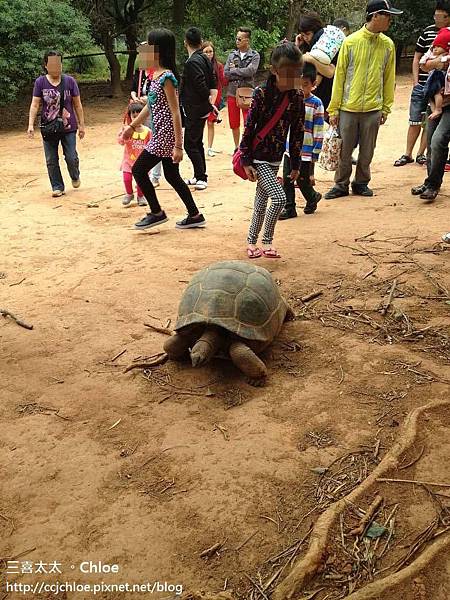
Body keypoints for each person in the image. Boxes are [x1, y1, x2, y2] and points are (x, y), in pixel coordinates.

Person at [121, 28, 206, 230]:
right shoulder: (154, 75)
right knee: (172, 176)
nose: (145, 48)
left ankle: (156, 212)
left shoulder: (167, 77)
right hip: (160, 134)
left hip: (165, 137)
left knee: (138, 170)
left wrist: (178, 146)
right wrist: (132, 127)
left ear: (158, 50)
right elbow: (149, 106)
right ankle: (195, 215)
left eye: (148, 45)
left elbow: (176, 112)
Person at [324, 0, 402, 200]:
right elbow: (339, 76)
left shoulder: (388, 45)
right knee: (344, 150)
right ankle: (340, 185)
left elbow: (388, 78)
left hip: (373, 108)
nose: (390, 20)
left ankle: (361, 183)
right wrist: (334, 109)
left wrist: (385, 108)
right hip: (348, 107)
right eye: (387, 15)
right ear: (375, 16)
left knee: (367, 151)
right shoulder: (350, 42)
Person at [239, 42, 304, 259]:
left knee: (260, 203)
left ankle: (251, 242)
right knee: (279, 198)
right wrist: (246, 159)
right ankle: (266, 241)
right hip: (258, 158)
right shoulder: (261, 94)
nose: (293, 80)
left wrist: (296, 163)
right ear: (274, 70)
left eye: (297, 74)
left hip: (277, 157)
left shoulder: (297, 97)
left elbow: (297, 131)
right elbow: (249, 127)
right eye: (288, 74)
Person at [394, 1, 450, 167]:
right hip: (424, 84)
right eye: (435, 16)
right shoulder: (427, 32)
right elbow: (419, 58)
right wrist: (416, 81)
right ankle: (407, 153)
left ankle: (421, 155)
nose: (437, 20)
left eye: (440, 17)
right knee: (415, 119)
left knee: (431, 122)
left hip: (443, 89)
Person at [28, 51, 85, 197]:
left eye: (58, 63)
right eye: (52, 64)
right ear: (46, 65)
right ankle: (57, 186)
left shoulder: (70, 81)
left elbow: (77, 104)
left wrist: (81, 125)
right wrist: (30, 125)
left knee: (71, 157)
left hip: (69, 126)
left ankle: (75, 175)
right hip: (49, 126)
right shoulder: (40, 82)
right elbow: (35, 104)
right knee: (51, 159)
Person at [280, 63, 324, 219]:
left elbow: (318, 129)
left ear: (313, 85)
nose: (301, 88)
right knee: (287, 179)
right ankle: (289, 208)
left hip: (306, 151)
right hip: (290, 149)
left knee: (303, 180)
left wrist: (315, 152)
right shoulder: (290, 99)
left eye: (305, 85)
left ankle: (312, 197)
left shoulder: (316, 103)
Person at [411, 28, 450, 202]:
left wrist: (437, 62)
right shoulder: (444, 34)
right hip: (437, 99)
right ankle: (430, 183)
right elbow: (424, 64)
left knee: (438, 140)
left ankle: (433, 184)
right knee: (431, 140)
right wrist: (440, 62)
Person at [180, 27, 217, 191]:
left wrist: (208, 102)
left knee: (189, 144)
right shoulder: (204, 59)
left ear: (185, 43)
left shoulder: (193, 62)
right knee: (197, 142)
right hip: (200, 107)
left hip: (195, 108)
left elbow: (200, 83)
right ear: (201, 43)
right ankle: (198, 175)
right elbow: (211, 81)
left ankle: (202, 177)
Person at [295, 13, 343, 122]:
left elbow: (330, 72)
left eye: (308, 34)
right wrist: (297, 46)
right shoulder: (310, 47)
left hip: (328, 99)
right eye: (303, 35)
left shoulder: (327, 48)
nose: (306, 38)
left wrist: (311, 59)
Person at [224, 28, 261, 152]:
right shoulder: (232, 55)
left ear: (247, 40)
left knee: (248, 121)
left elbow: (252, 71)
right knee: (233, 122)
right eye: (236, 38)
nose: (237, 41)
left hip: (247, 92)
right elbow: (226, 73)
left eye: (239, 39)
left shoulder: (254, 55)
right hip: (232, 92)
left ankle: (246, 145)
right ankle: (236, 147)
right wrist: (242, 72)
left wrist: (234, 70)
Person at [131, 42, 162, 187]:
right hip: (139, 108)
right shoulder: (140, 71)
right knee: (140, 140)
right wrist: (135, 97)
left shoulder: (158, 73)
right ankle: (143, 172)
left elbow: (156, 94)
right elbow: (133, 87)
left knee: (153, 140)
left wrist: (147, 99)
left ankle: (155, 176)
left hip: (152, 110)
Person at [118, 103, 151, 207]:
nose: (136, 118)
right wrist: (123, 134)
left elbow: (150, 145)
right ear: (130, 116)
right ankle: (129, 194)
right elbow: (121, 142)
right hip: (128, 161)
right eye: (133, 116)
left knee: (141, 181)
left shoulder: (148, 131)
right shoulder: (127, 130)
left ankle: (141, 196)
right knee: (127, 178)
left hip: (142, 162)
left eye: (139, 116)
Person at [202, 40, 228, 157]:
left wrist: (231, 71)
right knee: (200, 123)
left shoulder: (219, 66)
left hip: (214, 98)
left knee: (211, 122)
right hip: (201, 98)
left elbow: (223, 81)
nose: (209, 54)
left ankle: (210, 147)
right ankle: (200, 145)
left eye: (210, 51)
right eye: (206, 51)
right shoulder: (198, 65)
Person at [420, 29, 450, 120]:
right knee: (428, 92)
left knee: (437, 92)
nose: (435, 48)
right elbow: (423, 65)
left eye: (438, 47)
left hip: (440, 77)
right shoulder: (442, 35)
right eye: (434, 47)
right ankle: (434, 109)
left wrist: (439, 61)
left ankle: (437, 109)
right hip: (433, 76)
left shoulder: (445, 54)